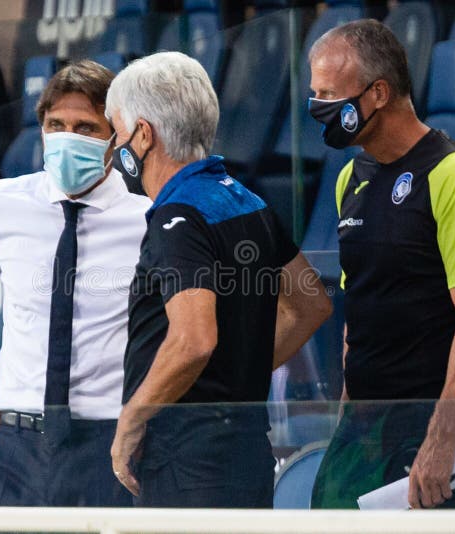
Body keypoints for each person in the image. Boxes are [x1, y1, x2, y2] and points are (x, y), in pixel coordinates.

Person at [106, 51, 334, 508]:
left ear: (144, 135)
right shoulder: (244, 198)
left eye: (116, 132)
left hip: (189, 460)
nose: (114, 149)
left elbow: (193, 340)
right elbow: (312, 304)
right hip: (246, 449)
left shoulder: (178, 215)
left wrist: (131, 421)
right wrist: (237, 375)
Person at [0, 60, 149, 507]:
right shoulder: (0, 203)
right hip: (13, 445)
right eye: (55, 124)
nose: (68, 137)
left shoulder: (146, 216)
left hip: (110, 443)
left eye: (85, 127)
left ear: (116, 135)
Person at [306, 20, 455, 509]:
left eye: (328, 95)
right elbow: (362, 306)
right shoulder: (350, 177)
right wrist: (347, 417)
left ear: (377, 93)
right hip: (366, 425)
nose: (317, 109)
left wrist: (441, 440)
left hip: (436, 425)